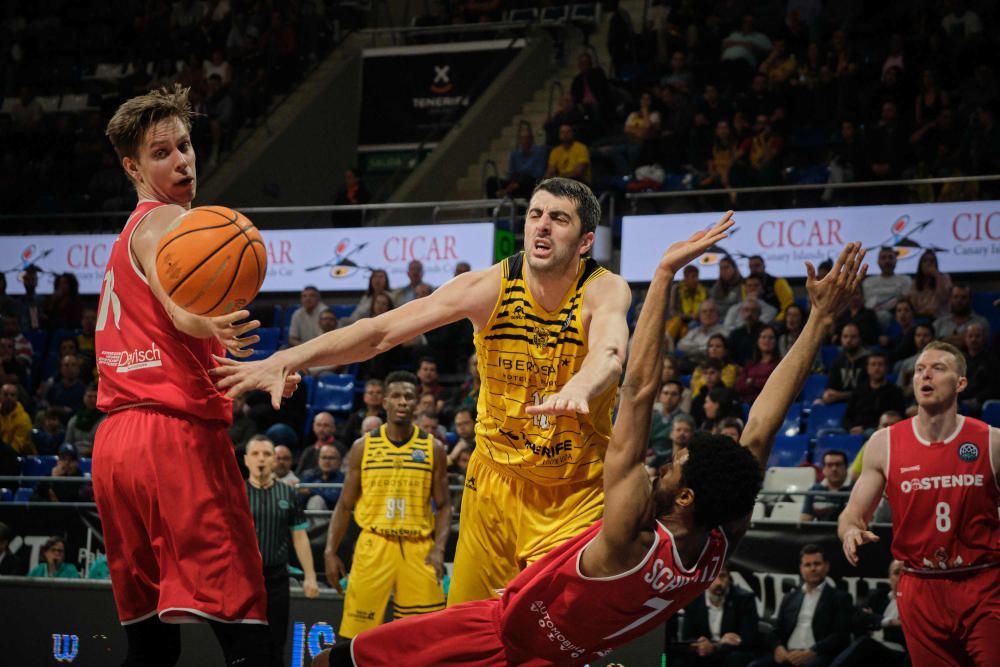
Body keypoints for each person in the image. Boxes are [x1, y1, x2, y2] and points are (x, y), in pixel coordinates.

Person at [308, 234, 868, 667]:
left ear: (685, 496)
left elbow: (641, 388)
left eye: (675, 467)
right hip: (564, 656)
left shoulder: (631, 533)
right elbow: (760, 432)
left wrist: (666, 272)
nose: (665, 464)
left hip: (497, 635)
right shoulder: (721, 539)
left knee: (341, 658)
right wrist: (818, 320)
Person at [213, 178, 633, 607]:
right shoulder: (487, 287)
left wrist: (580, 385)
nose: (542, 226)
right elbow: (378, 333)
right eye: (535, 215)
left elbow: (611, 351)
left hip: (574, 490)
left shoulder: (605, 288)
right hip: (494, 485)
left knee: (552, 630)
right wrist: (287, 358)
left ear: (585, 242)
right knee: (471, 631)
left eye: (558, 219)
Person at [93, 86, 296, 666]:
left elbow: (166, 335)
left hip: (115, 448)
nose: (181, 160)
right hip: (173, 444)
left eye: (184, 146)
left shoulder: (124, 238)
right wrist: (215, 322)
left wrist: (248, 369)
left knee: (152, 650)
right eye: (161, 153)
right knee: (249, 639)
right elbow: (181, 307)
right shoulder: (167, 222)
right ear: (132, 166)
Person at [839, 341, 1000, 666]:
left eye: (938, 368)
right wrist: (850, 532)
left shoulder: (991, 441)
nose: (926, 375)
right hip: (920, 586)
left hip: (983, 581)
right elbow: (852, 515)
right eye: (920, 370)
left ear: (960, 383)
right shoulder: (884, 444)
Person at [322, 371, 451, 640]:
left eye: (409, 397)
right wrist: (330, 551)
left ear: (417, 403)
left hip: (418, 548)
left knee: (425, 637)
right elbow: (345, 506)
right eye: (396, 396)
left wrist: (439, 548)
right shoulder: (362, 447)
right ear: (384, 402)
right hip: (374, 544)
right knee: (354, 639)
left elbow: (444, 505)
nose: (402, 402)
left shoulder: (433, 449)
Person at [244, 434, 320, 666]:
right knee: (244, 647)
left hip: (277, 579)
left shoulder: (288, 494)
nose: (261, 459)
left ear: (275, 460)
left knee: (276, 644)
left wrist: (310, 576)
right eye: (255, 454)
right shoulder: (235, 494)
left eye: (267, 454)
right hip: (242, 580)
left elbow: (299, 538)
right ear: (246, 460)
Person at [749, 545, 852, 667]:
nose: (813, 568)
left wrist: (811, 652)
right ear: (801, 569)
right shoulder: (789, 598)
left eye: (817, 564)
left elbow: (840, 635)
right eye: (807, 565)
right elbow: (776, 631)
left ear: (826, 566)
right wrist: (777, 648)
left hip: (817, 655)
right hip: (788, 654)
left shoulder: (840, 598)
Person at [676, 565, 759, 667]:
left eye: (722, 576)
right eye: (713, 577)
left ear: (729, 578)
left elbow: (747, 641)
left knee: (735, 659)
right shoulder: (694, 600)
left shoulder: (744, 599)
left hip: (730, 654)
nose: (718, 582)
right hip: (703, 653)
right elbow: (688, 638)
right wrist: (701, 645)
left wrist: (716, 647)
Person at [831, 560, 906, 666]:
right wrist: (889, 622)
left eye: (906, 573)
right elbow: (857, 617)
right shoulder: (877, 596)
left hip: (897, 655)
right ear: (889, 578)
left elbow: (908, 634)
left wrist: (873, 620)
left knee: (865, 644)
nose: (902, 577)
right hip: (868, 651)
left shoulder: (919, 604)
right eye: (897, 573)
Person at [843, 353, 905, 435]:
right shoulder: (858, 390)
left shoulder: (895, 391)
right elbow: (848, 416)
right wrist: (850, 428)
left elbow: (897, 418)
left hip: (877, 430)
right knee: (826, 432)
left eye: (880, 364)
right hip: (854, 429)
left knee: (869, 433)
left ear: (886, 368)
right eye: (873, 364)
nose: (877, 368)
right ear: (867, 368)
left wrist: (864, 428)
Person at [863, 247, 911, 329]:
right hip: (870, 319)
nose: (887, 261)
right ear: (877, 261)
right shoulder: (867, 282)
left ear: (896, 260)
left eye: (890, 257)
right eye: (883, 258)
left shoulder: (905, 280)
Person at [800, 451, 853, 522]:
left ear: (846, 468)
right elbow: (805, 522)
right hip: (821, 532)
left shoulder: (857, 489)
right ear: (823, 469)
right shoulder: (814, 491)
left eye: (838, 464)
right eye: (829, 465)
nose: (834, 469)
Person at [299, 443, 346, 510]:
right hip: (306, 516)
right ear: (318, 460)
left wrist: (311, 491)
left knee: (316, 501)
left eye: (331, 458)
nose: (327, 461)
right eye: (324, 458)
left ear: (339, 462)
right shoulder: (308, 475)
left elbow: (334, 499)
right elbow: (299, 499)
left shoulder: (343, 479)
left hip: (333, 516)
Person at [0, 382, 33, 455]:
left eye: (12, 395)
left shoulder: (23, 418)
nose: (9, 397)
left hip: (20, 458)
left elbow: (15, 448)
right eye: (5, 394)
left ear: (17, 398)